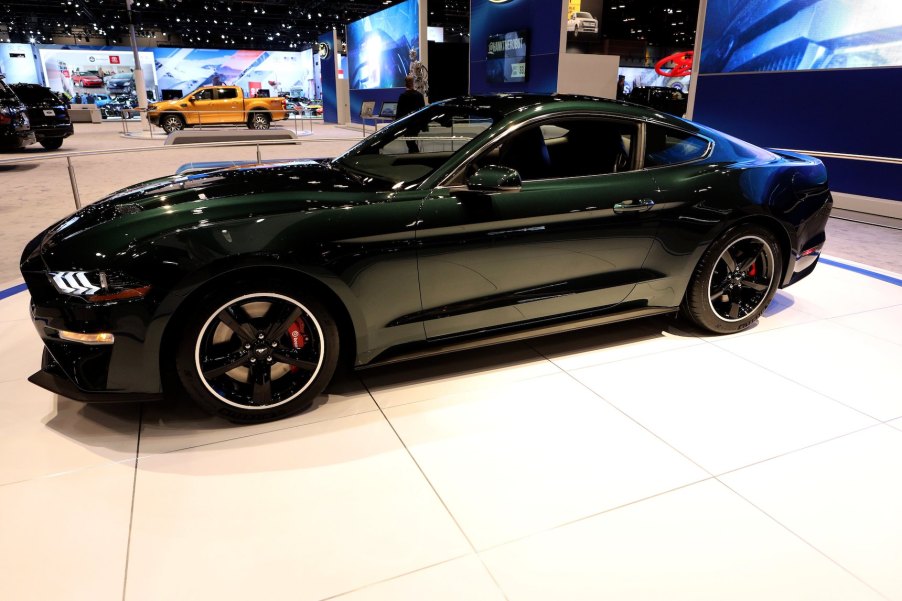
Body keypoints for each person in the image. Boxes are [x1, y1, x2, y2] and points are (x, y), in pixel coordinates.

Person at [395, 75, 425, 153]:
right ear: (413, 83)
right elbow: (423, 111)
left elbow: (399, 112)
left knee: (410, 143)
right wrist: (423, 125)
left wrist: (396, 126)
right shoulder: (419, 95)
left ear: (405, 84)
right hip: (416, 125)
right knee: (411, 142)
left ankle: (415, 157)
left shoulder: (403, 96)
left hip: (407, 125)